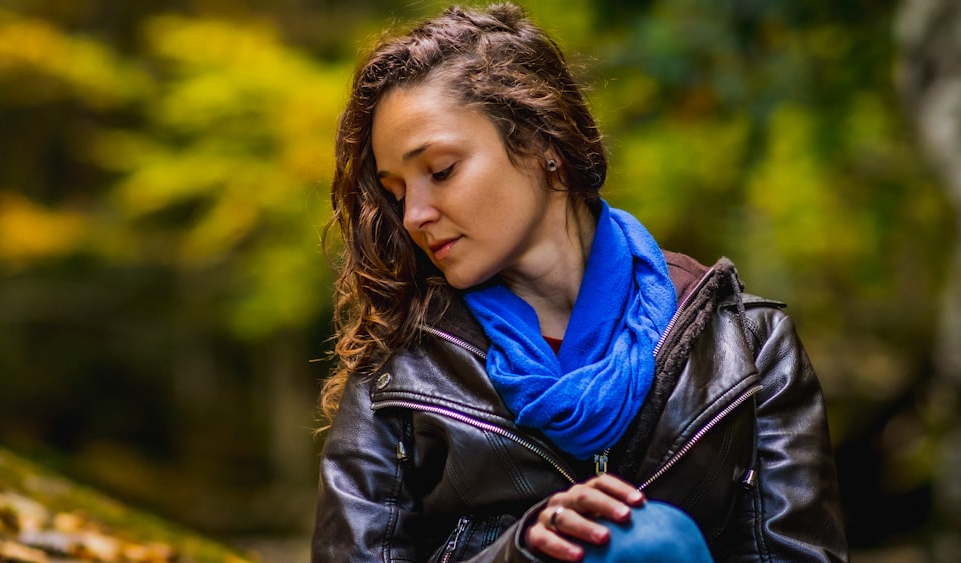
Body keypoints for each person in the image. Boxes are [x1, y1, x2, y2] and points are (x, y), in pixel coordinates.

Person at [312, 3, 848, 561]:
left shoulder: (750, 346)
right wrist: (519, 555)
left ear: (543, 144)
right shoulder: (396, 374)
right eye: (397, 192)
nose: (414, 215)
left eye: (441, 170)